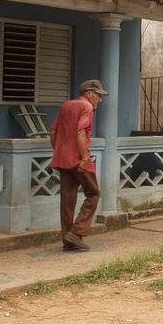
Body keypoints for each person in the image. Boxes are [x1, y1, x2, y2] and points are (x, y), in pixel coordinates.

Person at [49, 79, 108, 251]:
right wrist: (83, 157)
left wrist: (58, 150)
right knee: (93, 193)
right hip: (78, 158)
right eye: (98, 95)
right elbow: (80, 132)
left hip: (62, 158)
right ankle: (76, 232)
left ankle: (68, 241)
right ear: (89, 94)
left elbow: (53, 132)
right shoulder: (86, 107)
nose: (100, 99)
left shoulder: (66, 105)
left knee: (67, 199)